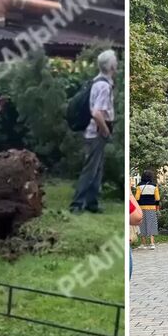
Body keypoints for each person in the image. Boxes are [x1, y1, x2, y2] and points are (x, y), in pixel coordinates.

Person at [70, 50, 118, 214]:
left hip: (92, 132)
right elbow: (97, 113)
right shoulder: (104, 86)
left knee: (97, 169)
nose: (117, 64)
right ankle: (77, 204)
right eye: (115, 62)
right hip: (97, 132)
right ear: (111, 66)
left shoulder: (96, 82)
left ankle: (92, 202)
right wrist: (105, 132)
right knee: (90, 169)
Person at [135, 170, 160, 250]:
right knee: (151, 224)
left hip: (141, 208)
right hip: (151, 208)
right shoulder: (154, 186)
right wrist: (157, 206)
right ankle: (152, 243)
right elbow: (157, 198)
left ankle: (143, 243)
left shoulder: (139, 186)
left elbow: (137, 198)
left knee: (142, 225)